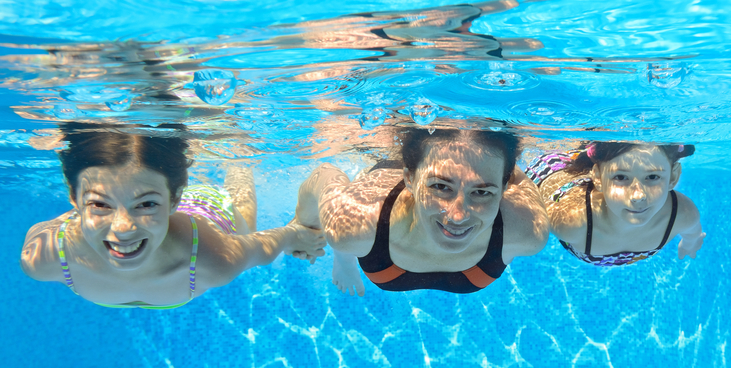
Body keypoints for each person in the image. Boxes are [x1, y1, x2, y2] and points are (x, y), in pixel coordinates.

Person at [20, 123, 326, 308]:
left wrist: (295, 234)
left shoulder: (212, 259)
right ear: (74, 199)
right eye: (100, 204)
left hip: (209, 213)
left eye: (145, 205)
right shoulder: (43, 258)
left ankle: (238, 153)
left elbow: (260, 248)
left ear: (175, 199)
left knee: (244, 217)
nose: (123, 228)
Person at [295, 127, 550, 296]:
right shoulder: (356, 222)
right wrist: (304, 223)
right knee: (346, 241)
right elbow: (324, 174)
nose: (458, 216)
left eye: (482, 192)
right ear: (409, 179)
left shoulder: (527, 232)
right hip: (388, 174)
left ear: (504, 187)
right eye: (441, 187)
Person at [525, 141, 704, 266]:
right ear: (598, 178)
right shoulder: (571, 221)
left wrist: (689, 245)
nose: (638, 196)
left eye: (652, 177)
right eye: (621, 177)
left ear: (673, 177)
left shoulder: (682, 214)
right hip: (554, 172)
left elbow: (693, 235)